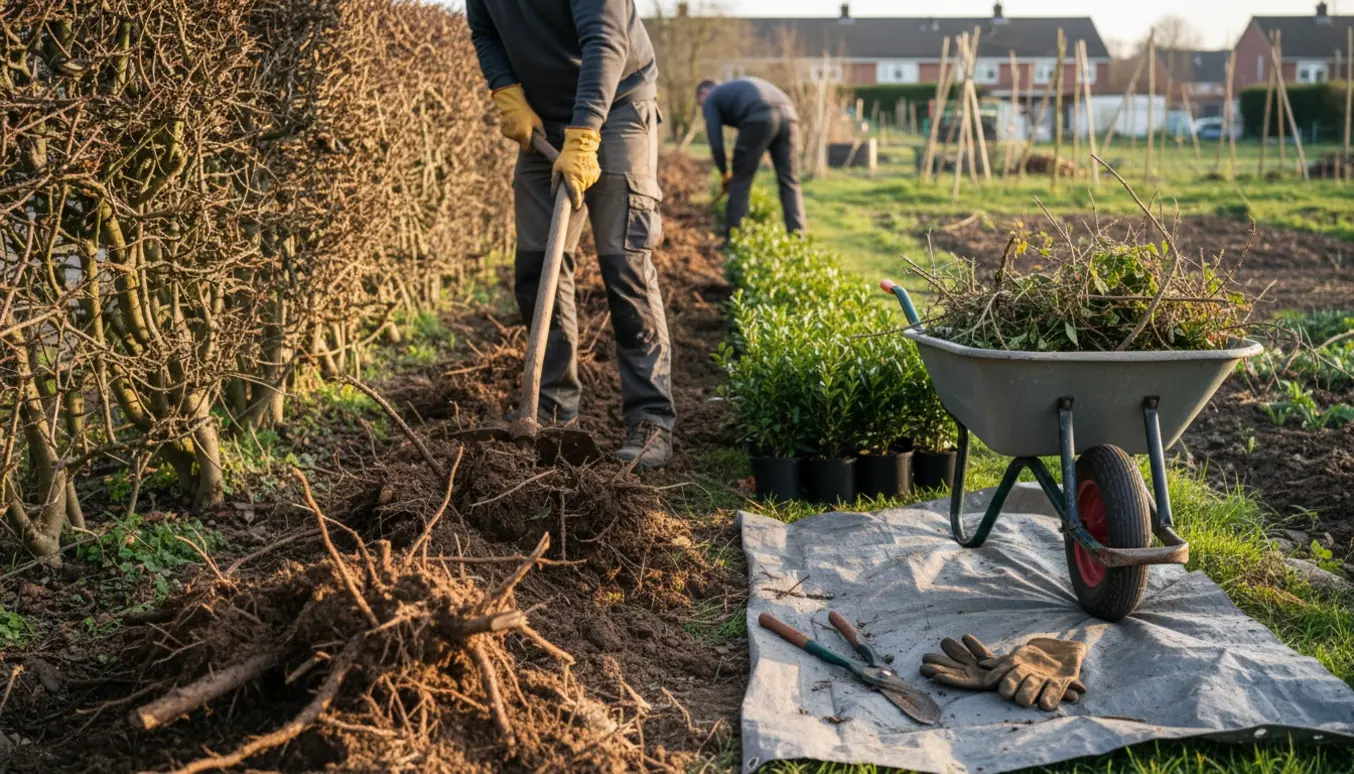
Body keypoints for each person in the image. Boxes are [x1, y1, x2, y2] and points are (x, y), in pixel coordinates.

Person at [467, 0, 674, 469]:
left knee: (625, 262)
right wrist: (505, 90)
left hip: (619, 104)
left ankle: (651, 419)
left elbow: (606, 41)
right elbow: (484, 30)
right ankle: (552, 409)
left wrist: (583, 136)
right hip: (544, 120)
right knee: (537, 265)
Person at [697, 77, 806, 236]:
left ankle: (734, 235)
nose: (703, 109)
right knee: (789, 181)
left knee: (740, 180)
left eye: (700, 104)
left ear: (703, 93)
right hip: (789, 116)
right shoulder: (734, 89)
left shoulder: (711, 98)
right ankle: (798, 235)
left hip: (760, 115)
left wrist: (724, 173)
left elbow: (716, 143)